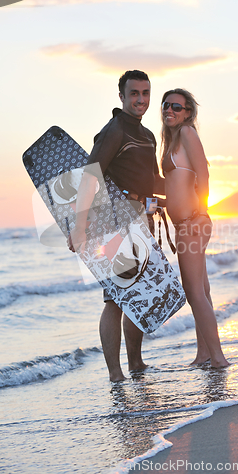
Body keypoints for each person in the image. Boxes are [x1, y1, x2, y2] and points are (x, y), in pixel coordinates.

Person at [68, 70, 164, 382]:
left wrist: (188, 187)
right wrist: (79, 227)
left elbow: (153, 183)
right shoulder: (113, 132)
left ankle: (136, 363)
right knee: (114, 297)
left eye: (145, 93)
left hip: (141, 220)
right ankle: (115, 373)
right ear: (121, 96)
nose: (140, 99)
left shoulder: (147, 135)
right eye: (134, 93)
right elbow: (89, 178)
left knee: (136, 293)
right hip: (113, 223)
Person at [161, 88, 229, 368]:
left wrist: (202, 211)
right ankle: (204, 354)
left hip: (192, 223)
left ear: (188, 112)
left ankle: (218, 358)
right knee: (202, 289)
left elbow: (204, 172)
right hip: (184, 224)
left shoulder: (187, 133)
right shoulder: (171, 142)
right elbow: (176, 187)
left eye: (176, 107)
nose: (170, 110)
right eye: (166, 105)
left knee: (193, 291)